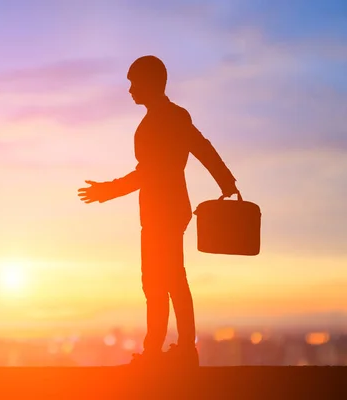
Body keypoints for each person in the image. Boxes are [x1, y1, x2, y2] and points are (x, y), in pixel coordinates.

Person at [77, 55, 239, 368]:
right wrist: (226, 181)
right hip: (167, 210)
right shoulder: (173, 116)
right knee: (169, 280)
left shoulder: (162, 121)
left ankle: (160, 351)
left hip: (161, 212)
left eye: (134, 83)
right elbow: (202, 148)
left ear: (150, 83)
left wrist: (106, 190)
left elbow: (150, 172)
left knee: (160, 281)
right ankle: (177, 350)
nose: (130, 90)